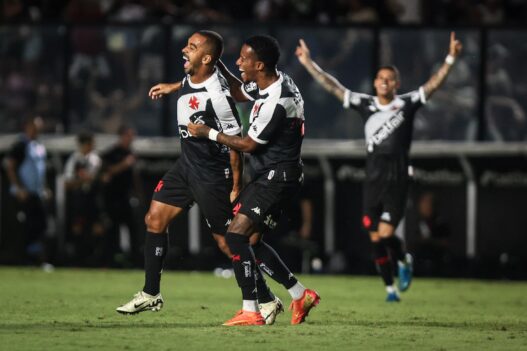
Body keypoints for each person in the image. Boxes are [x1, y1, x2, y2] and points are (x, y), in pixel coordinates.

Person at [115, 31, 283, 324]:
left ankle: (267, 299)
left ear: (206, 58)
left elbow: (235, 142)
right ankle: (151, 293)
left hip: (211, 174)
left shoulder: (218, 97)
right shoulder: (196, 76)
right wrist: (171, 87)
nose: (183, 49)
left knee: (229, 242)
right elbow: (191, 84)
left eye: (191, 47)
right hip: (185, 166)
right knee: (154, 218)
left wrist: (235, 186)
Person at [295, 32, 462, 301]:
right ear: (375, 83)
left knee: (385, 233)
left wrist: (451, 57)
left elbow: (433, 85)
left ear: (396, 83)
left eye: (389, 79)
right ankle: (390, 289)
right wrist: (308, 64)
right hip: (373, 179)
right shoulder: (366, 104)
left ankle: (404, 261)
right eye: (380, 78)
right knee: (375, 237)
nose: (384, 82)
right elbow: (333, 86)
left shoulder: (406, 104)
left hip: (397, 178)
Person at [188, 35, 320, 326]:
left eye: (243, 59)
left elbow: (248, 145)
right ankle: (300, 294)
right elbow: (237, 90)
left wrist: (207, 133)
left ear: (259, 65)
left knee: (235, 236)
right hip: (272, 175)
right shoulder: (270, 81)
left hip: (277, 178)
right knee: (251, 241)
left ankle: (251, 310)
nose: (239, 62)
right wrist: (215, 57)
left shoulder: (278, 100)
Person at [3, 116, 52, 268]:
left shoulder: (38, 146)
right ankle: (23, 259)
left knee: (40, 226)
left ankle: (35, 259)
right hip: (22, 195)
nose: (37, 130)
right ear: (27, 127)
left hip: (35, 194)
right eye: (34, 127)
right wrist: (19, 188)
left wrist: (44, 187)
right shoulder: (20, 145)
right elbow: (9, 166)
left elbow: (40, 171)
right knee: (23, 227)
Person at [100, 125, 142, 266]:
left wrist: (138, 193)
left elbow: (134, 175)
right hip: (113, 197)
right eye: (129, 136)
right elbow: (107, 172)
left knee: (133, 229)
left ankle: (134, 260)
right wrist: (124, 164)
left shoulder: (131, 153)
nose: (131, 139)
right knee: (113, 230)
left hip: (126, 197)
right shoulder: (112, 153)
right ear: (122, 136)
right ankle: (111, 260)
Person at [64, 131, 104, 266]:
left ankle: (96, 261)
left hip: (93, 198)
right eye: (90, 143)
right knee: (78, 228)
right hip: (79, 199)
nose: (92, 146)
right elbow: (67, 183)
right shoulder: (73, 160)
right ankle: (78, 261)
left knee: (97, 228)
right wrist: (82, 181)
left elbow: (98, 178)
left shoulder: (96, 159)